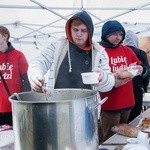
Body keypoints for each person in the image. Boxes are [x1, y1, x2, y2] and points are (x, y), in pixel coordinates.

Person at [27, 11, 115, 94]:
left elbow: (110, 84)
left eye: (83, 30)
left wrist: (103, 78)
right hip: (57, 103)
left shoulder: (99, 52)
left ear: (90, 32)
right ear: (70, 29)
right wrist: (36, 76)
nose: (79, 34)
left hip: (87, 105)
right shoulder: (57, 46)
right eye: (75, 30)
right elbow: (39, 62)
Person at [99, 20, 144, 142]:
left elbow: (140, 66)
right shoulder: (99, 51)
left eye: (120, 34)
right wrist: (113, 82)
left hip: (127, 102)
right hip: (109, 103)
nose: (117, 37)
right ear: (105, 34)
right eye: (113, 34)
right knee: (110, 138)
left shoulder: (126, 50)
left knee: (124, 137)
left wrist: (140, 69)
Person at [0, 26, 31, 126]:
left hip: (13, 108)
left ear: (4, 36)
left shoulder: (18, 55)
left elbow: (27, 81)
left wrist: (22, 103)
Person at [124, 30, 150, 123]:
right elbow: (146, 73)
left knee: (125, 117)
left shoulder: (122, 51)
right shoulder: (140, 53)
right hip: (137, 88)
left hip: (123, 88)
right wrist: (144, 87)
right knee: (135, 117)